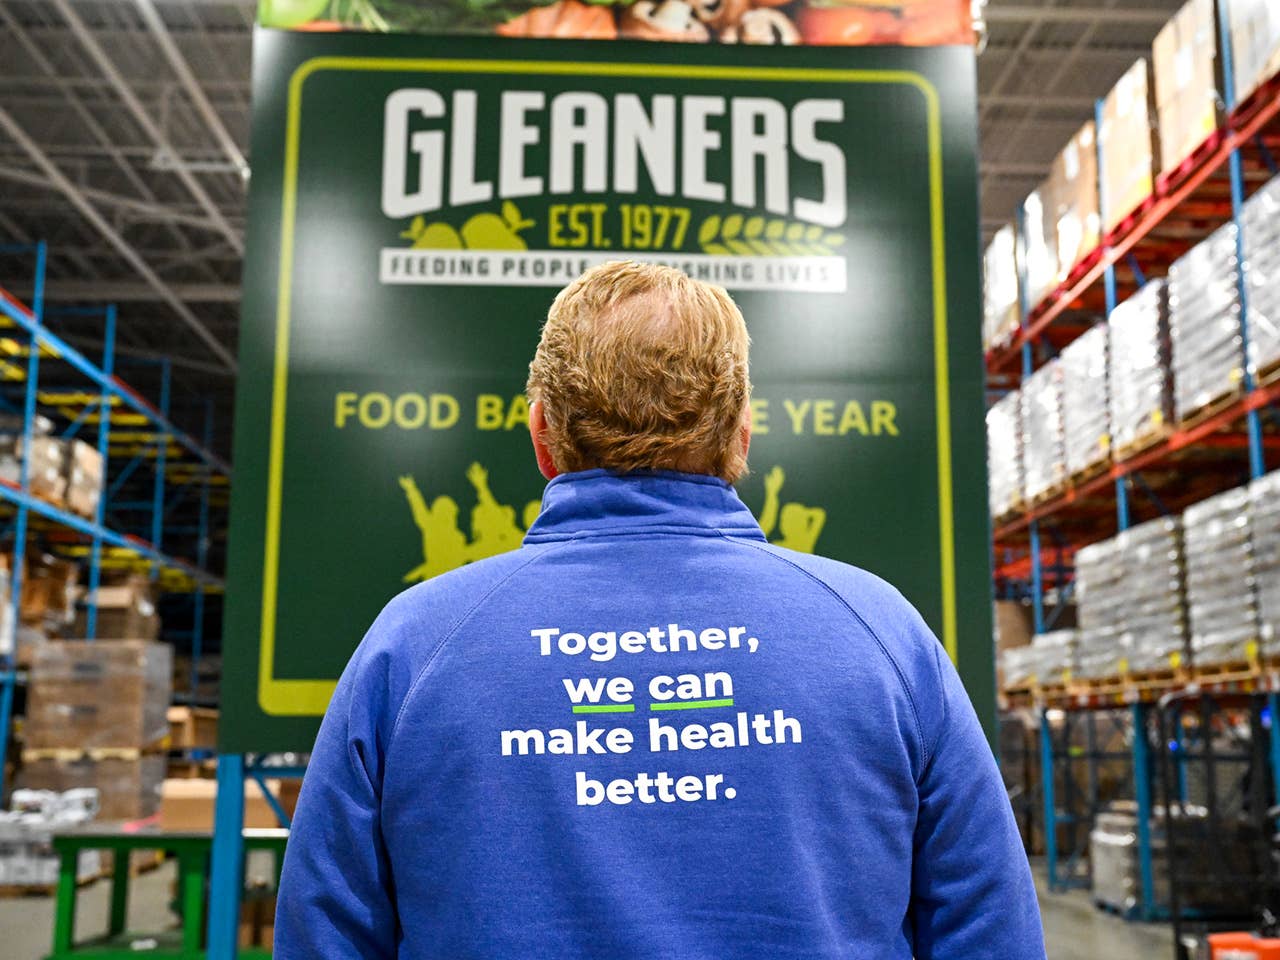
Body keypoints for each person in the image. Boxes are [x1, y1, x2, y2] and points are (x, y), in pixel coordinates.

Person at [276, 261, 1045, 959]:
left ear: (541, 432)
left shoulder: (412, 650)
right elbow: (991, 930)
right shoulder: (881, 636)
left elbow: (323, 936)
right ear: (741, 433)